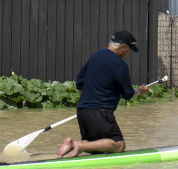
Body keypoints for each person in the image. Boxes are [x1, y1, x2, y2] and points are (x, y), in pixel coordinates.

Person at [58, 30, 149, 158]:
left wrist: (88, 101)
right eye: (129, 49)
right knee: (118, 145)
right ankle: (80, 145)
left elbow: (79, 81)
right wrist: (140, 91)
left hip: (82, 110)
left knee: (97, 147)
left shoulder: (96, 55)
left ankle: (72, 144)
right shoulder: (120, 64)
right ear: (123, 47)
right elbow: (128, 94)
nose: (128, 53)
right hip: (101, 112)